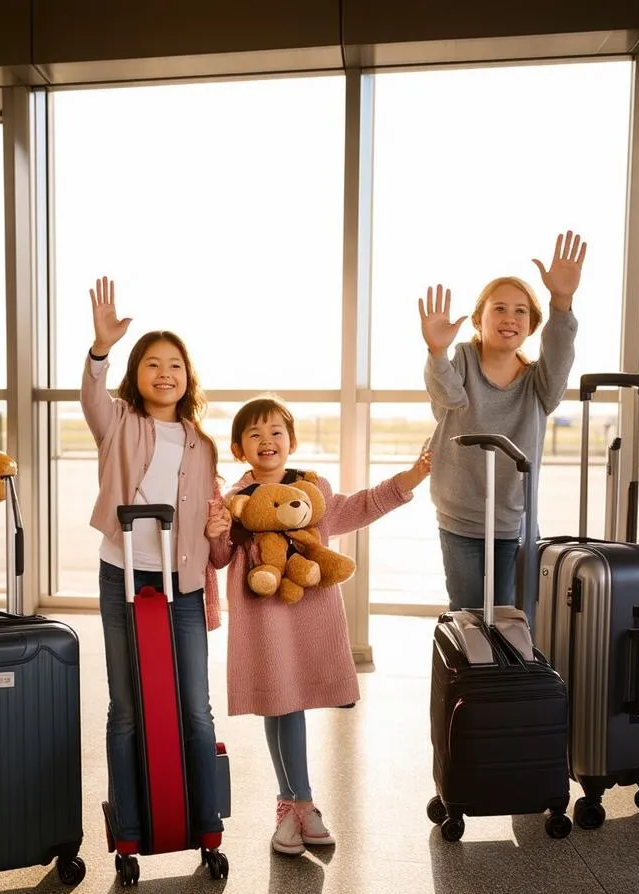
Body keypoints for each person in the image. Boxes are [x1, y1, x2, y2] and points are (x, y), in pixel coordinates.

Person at [206, 395, 431, 855]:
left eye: (275, 433)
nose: (266, 441)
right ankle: (301, 804)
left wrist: (414, 476)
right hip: (263, 620)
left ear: (291, 441)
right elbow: (219, 559)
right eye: (254, 434)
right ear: (238, 449)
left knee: (288, 707)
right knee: (280, 706)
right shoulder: (233, 502)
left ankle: (291, 805)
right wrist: (214, 533)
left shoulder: (313, 491)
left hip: (308, 618)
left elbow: (362, 505)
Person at [80, 275, 224, 857]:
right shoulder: (118, 422)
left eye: (176, 366)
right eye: (153, 365)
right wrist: (99, 351)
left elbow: (218, 544)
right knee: (127, 708)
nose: (165, 374)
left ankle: (206, 824)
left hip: (183, 584)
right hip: (123, 573)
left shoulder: (203, 443)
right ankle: (131, 832)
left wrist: (221, 534)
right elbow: (91, 398)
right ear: (136, 374)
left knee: (194, 706)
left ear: (188, 378)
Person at [420, 230, 587, 611]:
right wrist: (436, 350)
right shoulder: (459, 359)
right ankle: (473, 674)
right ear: (479, 319)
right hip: (461, 519)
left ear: (532, 327)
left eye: (521, 311)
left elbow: (560, 353)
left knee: (515, 620)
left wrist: (562, 302)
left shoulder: (539, 385)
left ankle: (512, 674)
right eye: (499, 308)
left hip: (516, 525)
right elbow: (447, 396)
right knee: (469, 617)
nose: (510, 318)